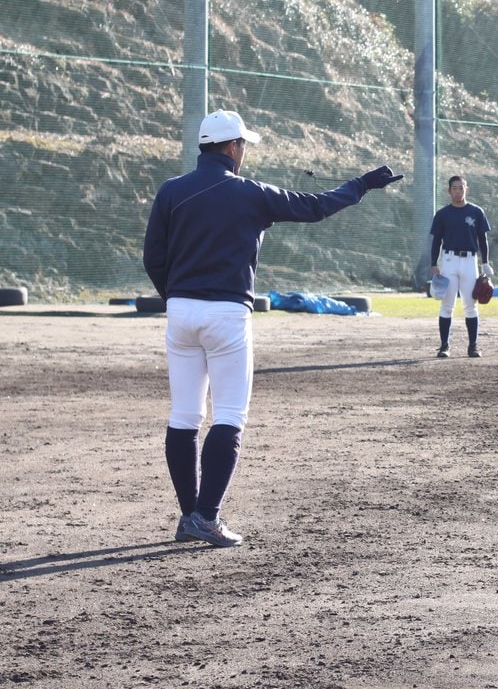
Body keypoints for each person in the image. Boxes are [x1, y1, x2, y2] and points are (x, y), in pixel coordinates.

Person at [142, 109, 402, 548]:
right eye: (243, 144)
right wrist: (362, 184)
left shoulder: (171, 191)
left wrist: (177, 296)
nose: (244, 152)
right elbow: (317, 206)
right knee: (228, 416)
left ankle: (189, 515)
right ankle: (206, 517)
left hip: (181, 311)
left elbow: (153, 255)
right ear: (230, 147)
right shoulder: (251, 193)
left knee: (184, 416)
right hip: (226, 313)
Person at [428, 174, 492, 358]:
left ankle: (473, 346)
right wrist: (434, 264)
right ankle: (444, 346)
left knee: (470, 305)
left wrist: (485, 262)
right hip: (449, 260)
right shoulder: (442, 214)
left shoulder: (476, 212)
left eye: (461, 187)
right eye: (454, 188)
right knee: (447, 304)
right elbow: (436, 241)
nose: (458, 191)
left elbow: (483, 239)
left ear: (466, 189)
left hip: (470, 260)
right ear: (449, 191)